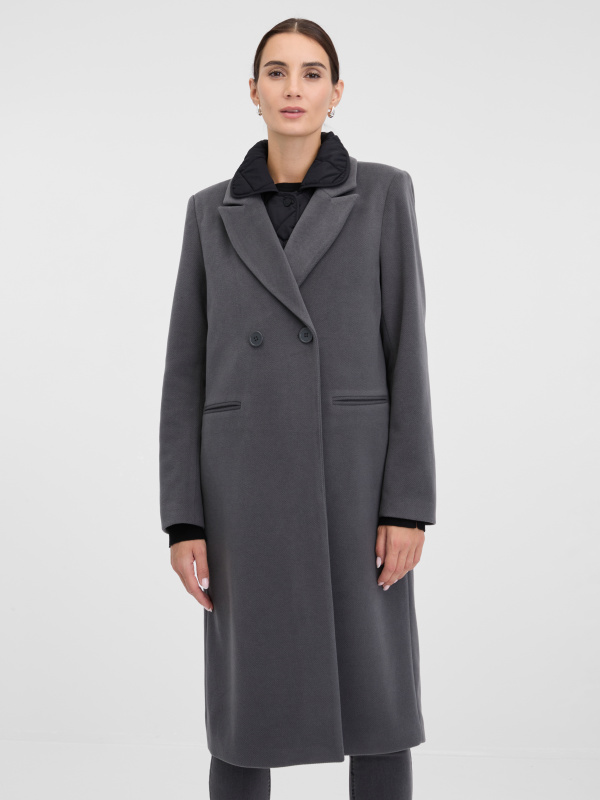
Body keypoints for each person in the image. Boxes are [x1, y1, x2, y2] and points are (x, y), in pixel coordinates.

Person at [159, 17, 436, 800]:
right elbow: (184, 372)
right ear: (252, 91)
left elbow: (407, 354)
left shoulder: (382, 193)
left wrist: (407, 506)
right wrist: (183, 521)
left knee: (378, 701)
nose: (293, 88)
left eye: (312, 73)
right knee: (245, 707)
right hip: (242, 490)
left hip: (355, 482)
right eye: (276, 72)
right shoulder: (210, 211)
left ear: (336, 92)